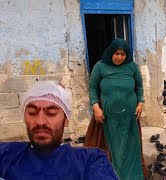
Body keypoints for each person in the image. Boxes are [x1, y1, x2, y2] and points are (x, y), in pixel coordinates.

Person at [0, 80, 118, 180]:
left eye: (51, 113)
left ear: (66, 120)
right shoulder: (6, 154)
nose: (40, 121)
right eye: (32, 113)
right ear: (25, 118)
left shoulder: (90, 161)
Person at [89, 38, 145, 180]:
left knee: (130, 147)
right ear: (110, 52)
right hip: (107, 117)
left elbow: (139, 86)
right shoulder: (100, 66)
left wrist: (140, 103)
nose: (119, 57)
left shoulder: (132, 66)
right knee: (111, 147)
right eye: (117, 53)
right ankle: (111, 175)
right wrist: (95, 107)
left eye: (123, 54)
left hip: (129, 117)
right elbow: (93, 88)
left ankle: (132, 176)